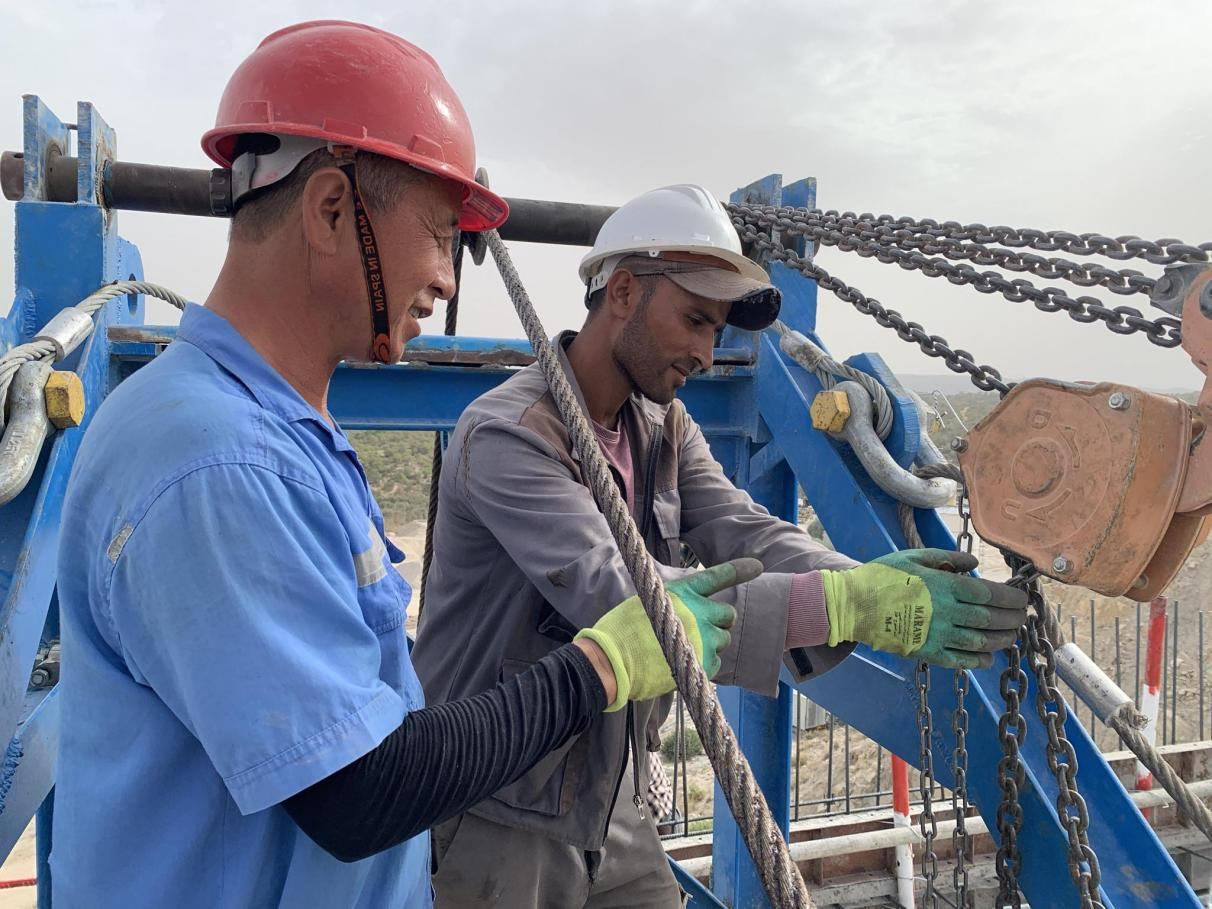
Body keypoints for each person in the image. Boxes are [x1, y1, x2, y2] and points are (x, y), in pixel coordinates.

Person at [50, 24, 745, 909]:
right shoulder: (217, 464)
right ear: (331, 209)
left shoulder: (277, 428)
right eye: (440, 233)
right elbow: (360, 790)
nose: (448, 278)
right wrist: (600, 668)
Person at [415, 184, 1029, 907]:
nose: (707, 354)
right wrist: (843, 605)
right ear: (622, 292)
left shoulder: (664, 427)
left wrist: (872, 586)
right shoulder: (509, 434)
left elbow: (746, 529)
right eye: (695, 320)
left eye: (717, 330)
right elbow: (624, 595)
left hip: (610, 794)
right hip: (496, 804)